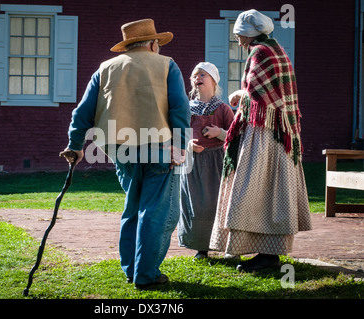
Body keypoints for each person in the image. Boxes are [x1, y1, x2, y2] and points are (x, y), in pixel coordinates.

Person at [60, 19, 190, 289]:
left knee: (133, 210)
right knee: (155, 212)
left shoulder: (105, 69)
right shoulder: (167, 65)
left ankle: (131, 269)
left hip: (122, 150)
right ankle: (147, 274)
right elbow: (179, 110)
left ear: (128, 45)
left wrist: (75, 145)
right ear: (154, 44)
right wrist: (180, 145)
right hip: (160, 149)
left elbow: (81, 114)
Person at [209, 9, 312, 272]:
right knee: (273, 190)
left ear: (248, 34)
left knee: (253, 186)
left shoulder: (260, 52)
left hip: (265, 132)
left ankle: (267, 256)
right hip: (282, 132)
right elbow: (269, 92)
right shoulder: (276, 49)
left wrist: (239, 95)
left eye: (238, 35)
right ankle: (268, 253)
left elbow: (256, 94)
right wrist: (245, 95)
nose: (237, 41)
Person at [178, 62, 234, 259]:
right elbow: (177, 133)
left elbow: (236, 136)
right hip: (192, 162)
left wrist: (219, 133)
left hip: (216, 162)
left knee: (217, 203)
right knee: (195, 203)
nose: (197, 77)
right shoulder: (186, 108)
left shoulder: (223, 109)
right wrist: (188, 145)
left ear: (213, 80)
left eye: (203, 74)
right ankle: (201, 247)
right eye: (195, 75)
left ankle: (227, 245)